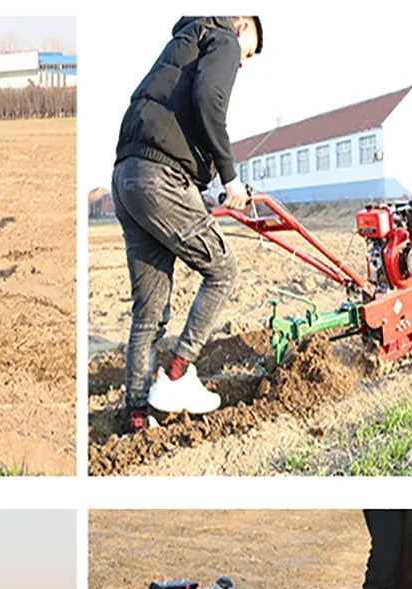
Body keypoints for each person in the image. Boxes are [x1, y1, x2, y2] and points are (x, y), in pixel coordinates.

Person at [112, 16, 263, 433]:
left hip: (126, 176)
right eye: (249, 50)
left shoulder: (184, 42)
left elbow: (176, 116)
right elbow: (210, 99)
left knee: (148, 312)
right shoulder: (224, 40)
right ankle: (179, 374)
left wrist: (204, 182)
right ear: (242, 24)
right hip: (159, 178)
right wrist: (230, 177)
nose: (243, 62)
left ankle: (138, 417)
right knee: (223, 268)